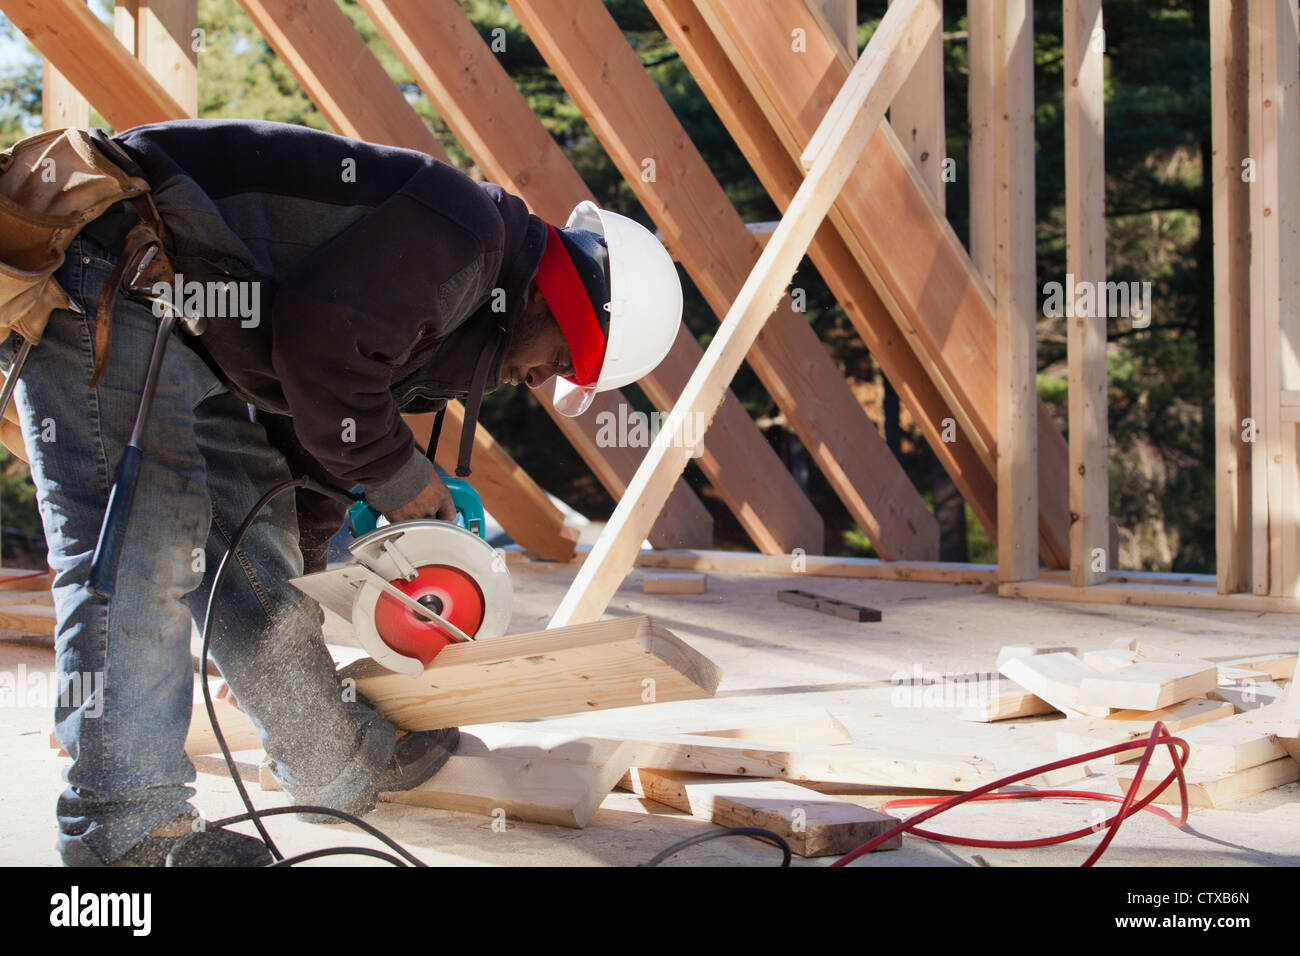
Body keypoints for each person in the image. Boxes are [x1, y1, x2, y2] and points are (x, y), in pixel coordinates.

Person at [0, 118, 683, 866]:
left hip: (190, 321)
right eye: (558, 362)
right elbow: (320, 346)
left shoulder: (465, 326)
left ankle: (330, 762)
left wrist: (280, 634)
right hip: (112, 264)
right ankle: (124, 831)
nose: (539, 380)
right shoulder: (465, 236)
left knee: (255, 542)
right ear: (561, 309)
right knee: (146, 543)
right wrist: (403, 479)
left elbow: (312, 446)